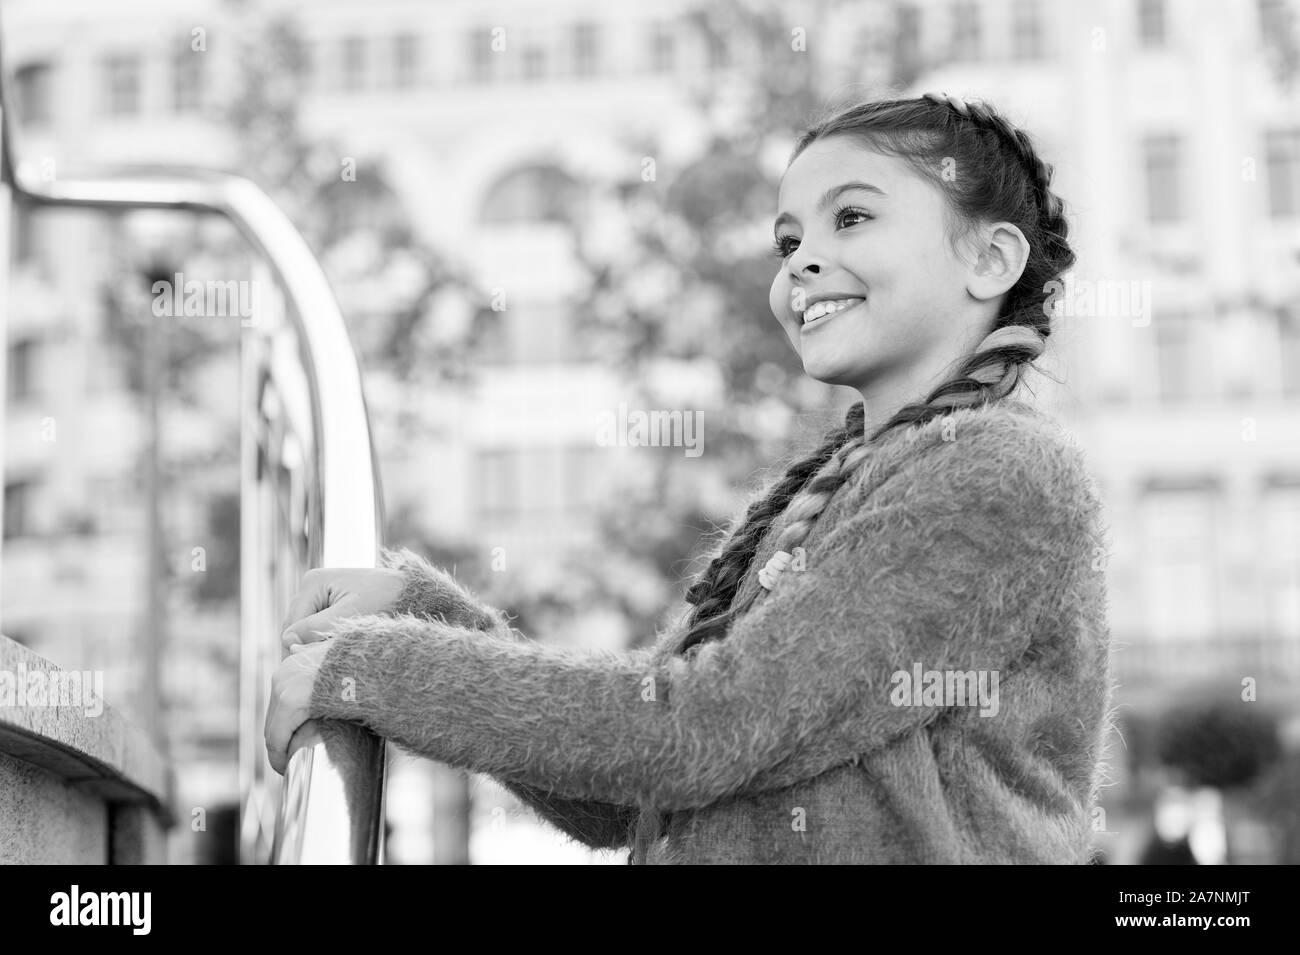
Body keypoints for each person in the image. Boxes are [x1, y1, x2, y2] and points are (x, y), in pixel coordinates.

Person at [265, 92, 1116, 864]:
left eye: (850, 218)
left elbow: (701, 726)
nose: (801, 264)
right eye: (788, 242)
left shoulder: (1001, 473)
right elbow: (627, 796)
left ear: (992, 257)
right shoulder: (833, 488)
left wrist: (379, 668)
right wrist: (429, 613)